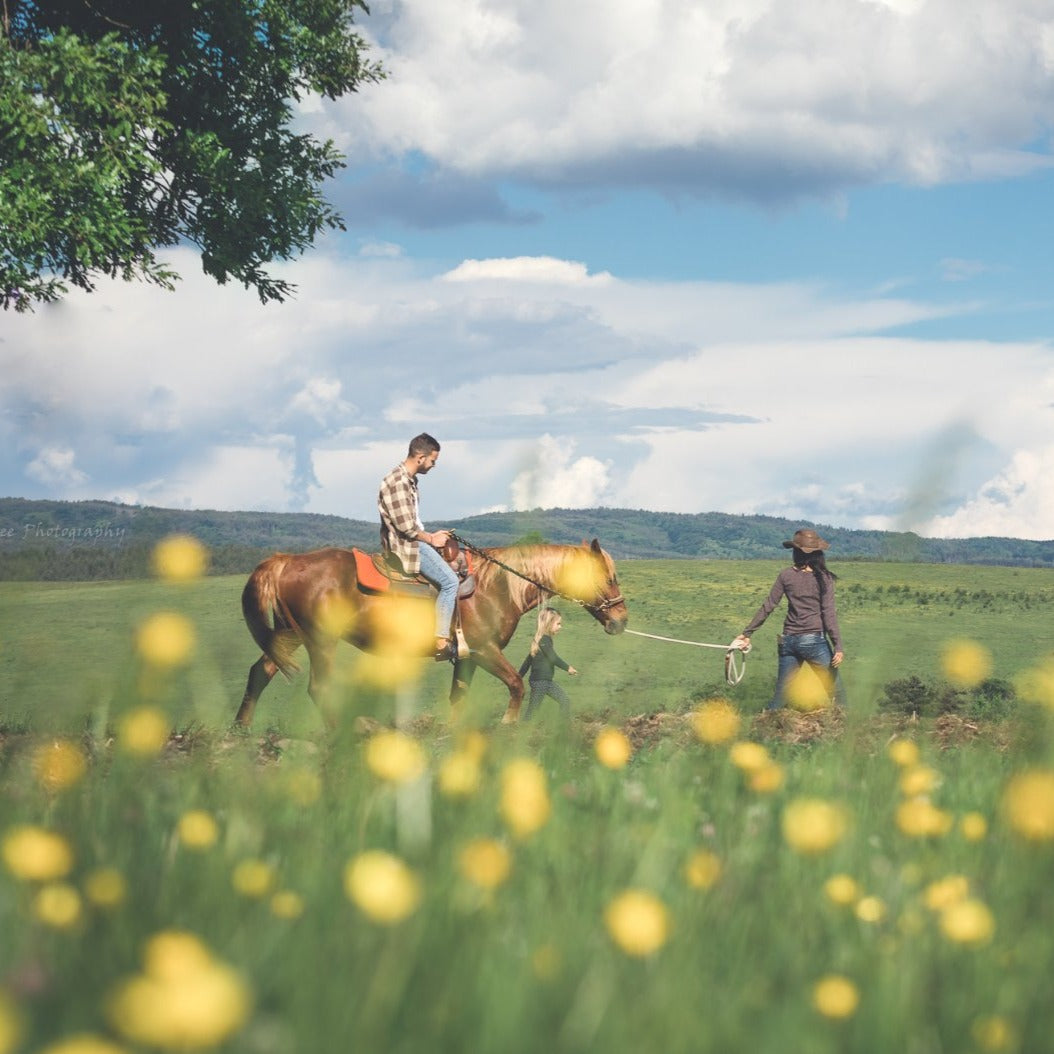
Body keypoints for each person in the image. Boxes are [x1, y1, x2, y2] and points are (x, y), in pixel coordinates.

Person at [733, 528, 846, 710]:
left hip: (788, 641)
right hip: (813, 641)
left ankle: (764, 726)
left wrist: (747, 633)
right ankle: (848, 730)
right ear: (818, 554)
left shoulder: (786, 575)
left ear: (795, 553)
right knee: (837, 692)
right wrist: (838, 646)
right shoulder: (824, 578)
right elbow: (829, 613)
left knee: (781, 696)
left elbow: (768, 605)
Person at [378, 433, 460, 662]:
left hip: (412, 540)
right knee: (450, 582)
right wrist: (431, 540)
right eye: (433, 461)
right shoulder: (398, 482)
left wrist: (433, 535)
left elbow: (412, 523)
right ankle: (442, 641)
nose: (433, 465)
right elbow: (406, 527)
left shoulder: (409, 480)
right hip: (406, 547)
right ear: (421, 457)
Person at [518, 607, 578, 720]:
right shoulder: (543, 640)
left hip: (546, 681)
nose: (561, 627)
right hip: (540, 682)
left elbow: (528, 660)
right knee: (532, 712)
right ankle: (521, 730)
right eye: (558, 624)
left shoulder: (542, 639)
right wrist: (568, 668)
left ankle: (562, 727)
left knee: (565, 700)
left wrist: (518, 676)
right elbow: (552, 658)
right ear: (549, 623)